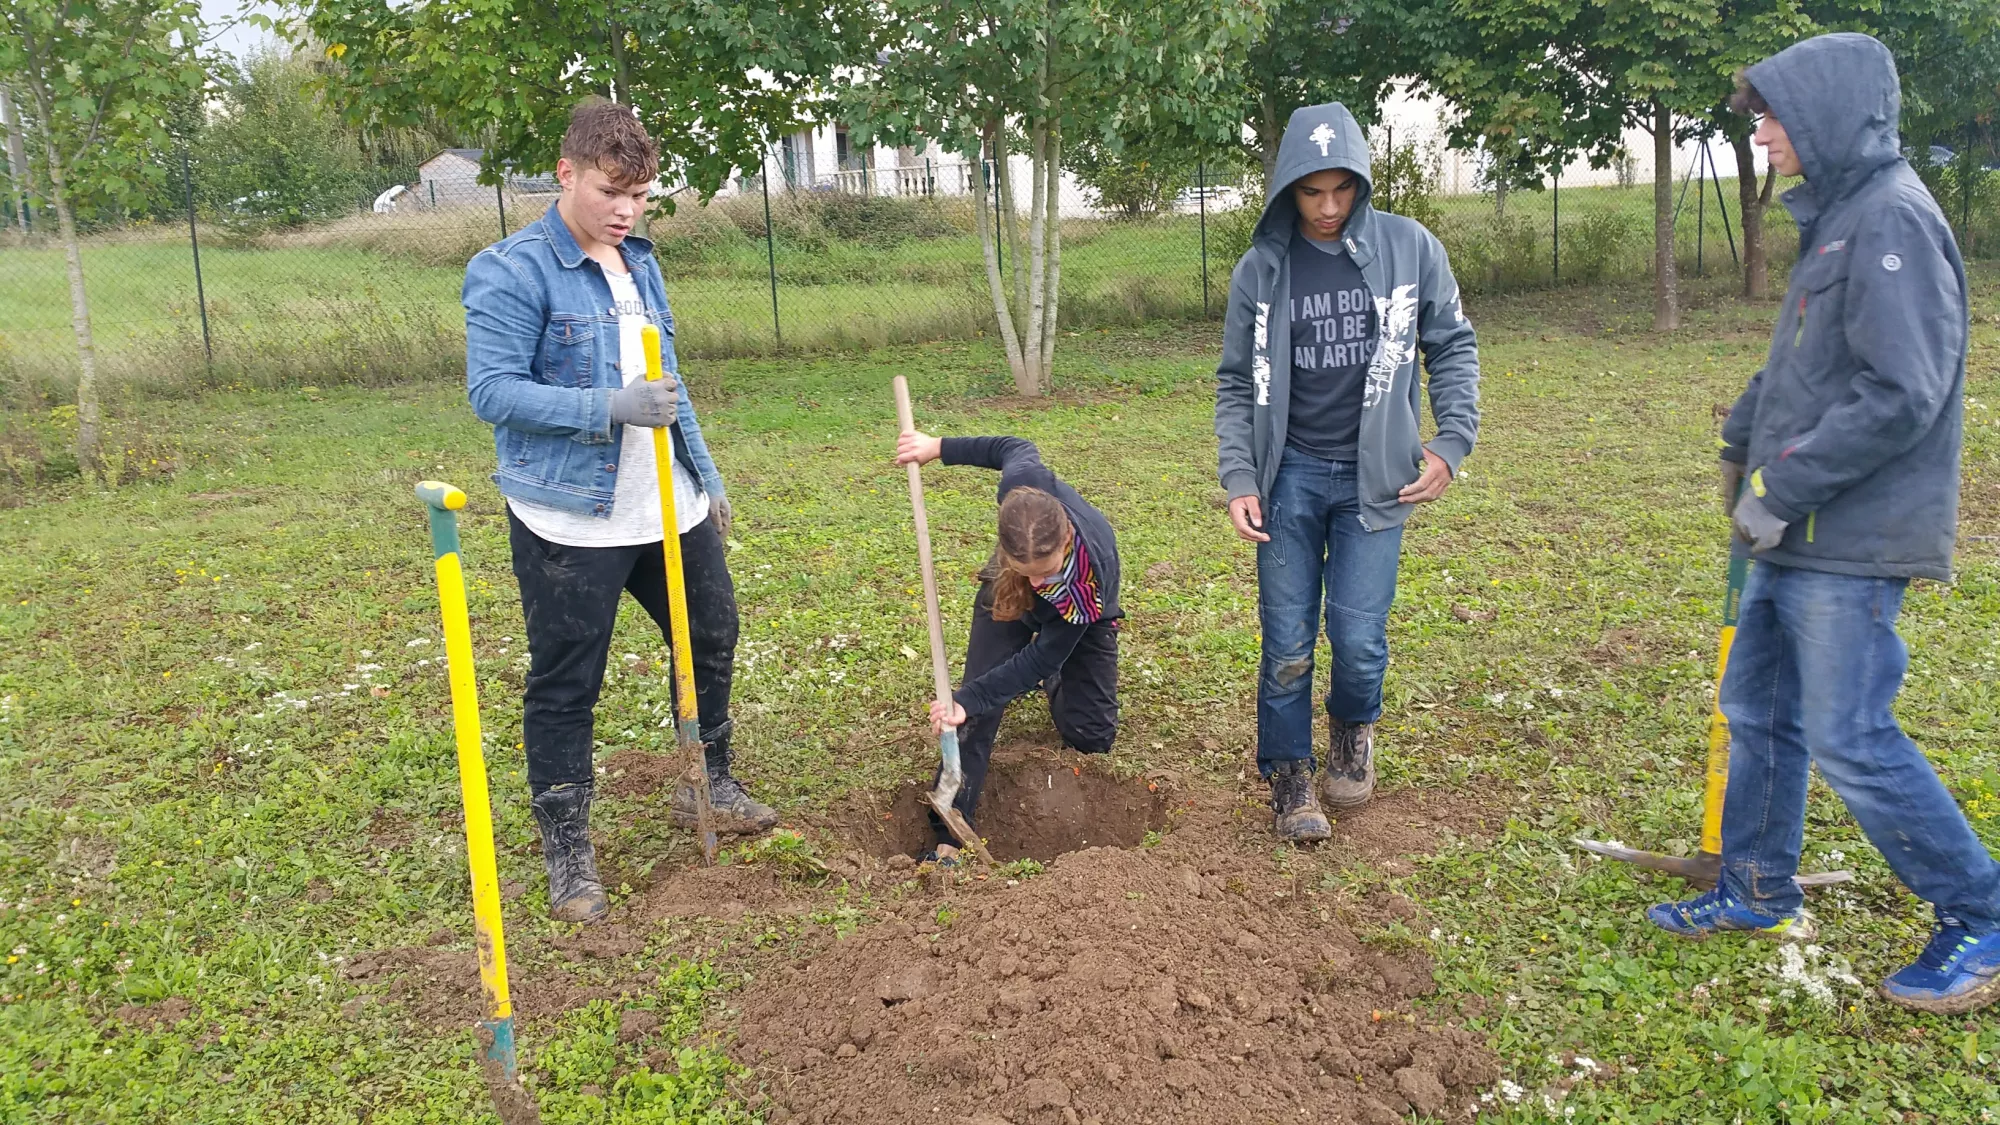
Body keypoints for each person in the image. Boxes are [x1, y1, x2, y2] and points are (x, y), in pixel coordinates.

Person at [1646, 33, 2000, 1013]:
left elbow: (1900, 392)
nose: (1760, 134)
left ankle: (1980, 914)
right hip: (1797, 532)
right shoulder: (1839, 217)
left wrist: (1780, 487)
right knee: (1759, 708)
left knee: (1848, 731)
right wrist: (1742, 432)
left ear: (1829, 114)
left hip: (1848, 534)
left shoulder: (1891, 220)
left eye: (1772, 116)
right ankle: (1756, 888)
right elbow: (1804, 363)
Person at [463, 99, 777, 923]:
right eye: (611, 192)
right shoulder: (511, 269)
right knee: (568, 679)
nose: (626, 211)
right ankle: (568, 845)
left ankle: (708, 780)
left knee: (710, 632)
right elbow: (492, 391)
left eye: (639, 195)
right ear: (565, 173)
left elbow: (669, 385)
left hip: (665, 503)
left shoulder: (640, 262)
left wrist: (705, 475)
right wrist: (609, 405)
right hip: (571, 517)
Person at [1213, 102, 1480, 841]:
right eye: (1311, 192)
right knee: (1288, 640)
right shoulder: (1261, 269)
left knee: (1359, 639)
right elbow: (1235, 381)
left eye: (1341, 190)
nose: (1328, 208)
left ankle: (1352, 730)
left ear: (1361, 182)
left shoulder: (1410, 247)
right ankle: (1290, 772)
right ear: (1286, 189)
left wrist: (1451, 442)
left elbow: (1452, 345)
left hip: (1377, 479)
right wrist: (1240, 477)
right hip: (1288, 478)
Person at [893, 431, 1122, 864]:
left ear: (1065, 540)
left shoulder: (1088, 579)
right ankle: (950, 832)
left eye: (1046, 572)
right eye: (1027, 570)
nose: (1038, 582)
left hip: (1079, 618)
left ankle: (1058, 680)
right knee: (975, 706)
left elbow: (1043, 656)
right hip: (1007, 592)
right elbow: (1012, 447)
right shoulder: (1022, 489)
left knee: (1091, 736)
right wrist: (937, 447)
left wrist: (1041, 664)